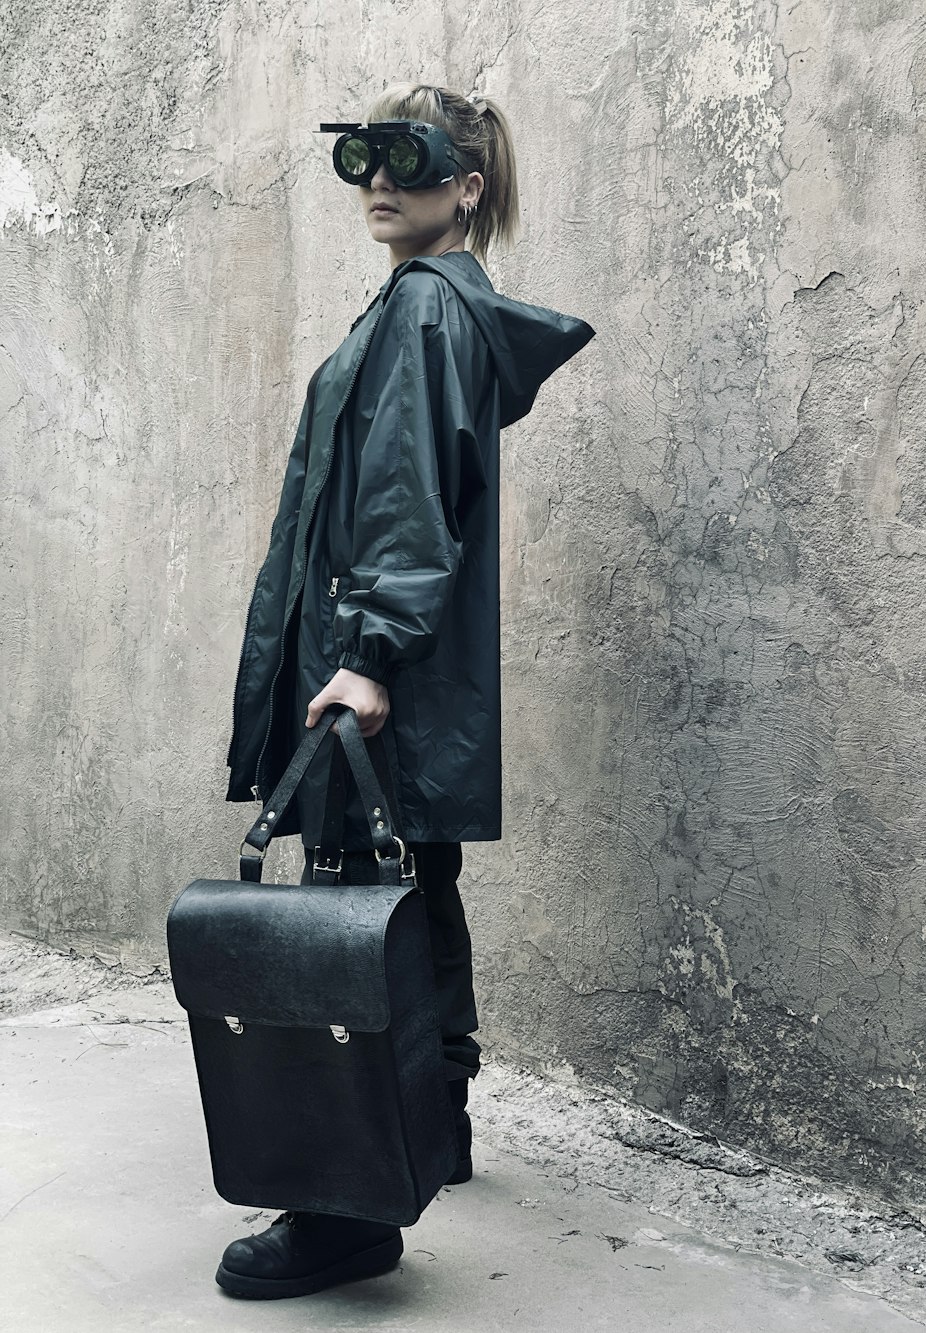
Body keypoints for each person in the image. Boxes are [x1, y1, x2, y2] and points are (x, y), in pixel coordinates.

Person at [219, 81, 594, 1299]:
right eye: (365, 159)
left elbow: (406, 507)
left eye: (411, 159)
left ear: (466, 185)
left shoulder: (425, 315)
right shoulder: (426, 305)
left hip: (377, 664)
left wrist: (369, 659)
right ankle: (437, 1118)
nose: (381, 180)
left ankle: (345, 1206)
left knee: (347, 922)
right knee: (411, 889)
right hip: (398, 664)